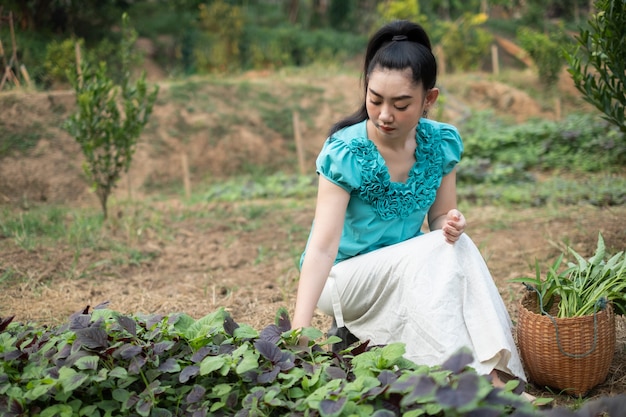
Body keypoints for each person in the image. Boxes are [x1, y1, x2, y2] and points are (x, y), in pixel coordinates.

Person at [292, 19, 527, 389]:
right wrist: (299, 331)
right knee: (438, 249)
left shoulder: (440, 143)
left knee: (456, 244)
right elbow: (321, 249)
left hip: (405, 272)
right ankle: (477, 381)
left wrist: (451, 225)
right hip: (342, 281)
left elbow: (439, 220)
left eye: (401, 104)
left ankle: (492, 372)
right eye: (375, 100)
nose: (385, 114)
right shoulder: (346, 151)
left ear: (428, 99)